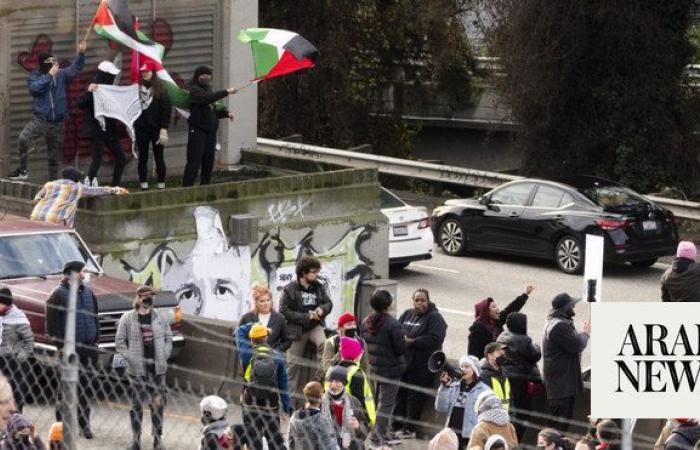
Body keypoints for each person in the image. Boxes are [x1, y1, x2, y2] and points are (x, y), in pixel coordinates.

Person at [8, 41, 87, 181]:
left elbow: (75, 68)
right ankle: (23, 170)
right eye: (48, 63)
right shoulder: (35, 76)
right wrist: (49, 76)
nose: (52, 66)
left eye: (53, 62)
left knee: (54, 157)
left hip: (58, 123)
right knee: (23, 139)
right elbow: (34, 89)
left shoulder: (61, 74)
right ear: (42, 65)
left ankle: (52, 182)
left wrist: (81, 53)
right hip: (41, 120)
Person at [46, 261, 100, 439]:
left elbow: (95, 318)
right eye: (83, 270)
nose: (85, 273)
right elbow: (52, 326)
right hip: (69, 351)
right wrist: (62, 347)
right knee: (66, 390)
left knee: (85, 389)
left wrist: (96, 340)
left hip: (88, 349)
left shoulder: (88, 292)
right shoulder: (58, 294)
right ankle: (61, 427)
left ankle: (85, 426)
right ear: (73, 273)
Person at [115, 286, 173, 450]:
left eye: (152, 297)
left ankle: (157, 439)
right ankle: (136, 440)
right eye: (147, 297)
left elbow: (169, 338)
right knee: (136, 405)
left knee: (157, 404)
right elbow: (119, 342)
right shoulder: (128, 318)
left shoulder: (159, 317)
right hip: (137, 370)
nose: (150, 300)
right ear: (139, 297)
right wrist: (131, 359)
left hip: (157, 369)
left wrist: (165, 354)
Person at [393, 288, 447, 440]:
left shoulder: (435, 318)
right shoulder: (407, 314)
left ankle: (409, 430)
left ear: (428, 301)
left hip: (423, 366)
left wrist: (413, 342)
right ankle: (396, 426)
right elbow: (396, 329)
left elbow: (436, 338)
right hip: (405, 364)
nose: (419, 303)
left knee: (415, 398)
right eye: (417, 300)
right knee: (400, 394)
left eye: (423, 300)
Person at [280, 256, 333, 394]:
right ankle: (289, 402)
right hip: (297, 331)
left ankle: (319, 378)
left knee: (324, 344)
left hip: (314, 326)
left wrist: (322, 309)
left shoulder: (318, 287)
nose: (316, 275)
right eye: (313, 272)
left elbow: (328, 303)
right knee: (292, 367)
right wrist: (306, 316)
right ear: (303, 273)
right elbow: (283, 311)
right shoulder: (289, 289)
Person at [360, 289, 406, 448]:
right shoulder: (393, 324)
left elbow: (364, 341)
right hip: (391, 370)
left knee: (379, 403)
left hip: (374, 368)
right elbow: (400, 348)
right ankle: (377, 438)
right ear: (388, 305)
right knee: (386, 405)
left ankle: (384, 433)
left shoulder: (366, 321)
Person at [542, 293, 591, 431]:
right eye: (572, 305)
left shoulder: (558, 321)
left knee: (559, 423)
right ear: (565, 308)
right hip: (560, 386)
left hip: (562, 384)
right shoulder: (559, 326)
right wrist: (586, 333)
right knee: (558, 425)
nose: (574, 307)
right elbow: (577, 345)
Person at [181, 65, 236, 187]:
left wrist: (226, 113)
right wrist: (226, 92)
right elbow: (205, 100)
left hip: (210, 132)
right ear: (197, 77)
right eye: (203, 75)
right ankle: (186, 189)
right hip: (197, 131)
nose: (206, 78)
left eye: (208, 75)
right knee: (194, 161)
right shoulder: (194, 90)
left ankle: (205, 187)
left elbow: (212, 108)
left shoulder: (208, 89)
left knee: (208, 161)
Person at [241, 323, 291, 450]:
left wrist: (251, 325)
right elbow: (283, 386)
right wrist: (286, 406)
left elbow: (239, 331)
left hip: (250, 402)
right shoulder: (278, 357)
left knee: (253, 439)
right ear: (266, 338)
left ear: (251, 339)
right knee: (274, 439)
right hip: (270, 403)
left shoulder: (246, 354)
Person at [78, 60, 127, 187]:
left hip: (110, 129)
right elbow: (80, 104)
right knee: (97, 158)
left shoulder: (112, 89)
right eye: (111, 75)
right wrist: (89, 92)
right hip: (96, 129)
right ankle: (89, 181)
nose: (113, 78)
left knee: (121, 158)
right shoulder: (93, 87)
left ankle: (116, 186)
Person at [30, 166, 128, 227]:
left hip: (35, 216)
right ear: (76, 179)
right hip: (55, 220)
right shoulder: (77, 188)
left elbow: (36, 199)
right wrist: (116, 190)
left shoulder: (49, 184)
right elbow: (97, 190)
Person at [497, 312, 541, 440]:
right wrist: (537, 346)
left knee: (506, 410)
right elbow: (534, 355)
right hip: (518, 380)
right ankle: (513, 440)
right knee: (522, 414)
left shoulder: (502, 336)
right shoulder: (523, 339)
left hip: (503, 377)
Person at [435, 355, 490, 450]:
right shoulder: (453, 386)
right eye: (462, 366)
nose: (463, 369)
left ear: (475, 370)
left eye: (467, 366)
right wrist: (444, 387)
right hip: (450, 435)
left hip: (470, 437)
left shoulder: (484, 390)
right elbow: (441, 408)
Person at [468, 283, 535, 359]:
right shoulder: (477, 330)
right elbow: (472, 356)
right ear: (486, 312)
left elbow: (511, 309)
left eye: (496, 306)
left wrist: (525, 294)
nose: (497, 308)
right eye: (493, 307)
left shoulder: (496, 321)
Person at [135, 61, 172, 190]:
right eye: (143, 72)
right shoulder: (136, 88)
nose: (144, 73)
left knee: (159, 157)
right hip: (141, 129)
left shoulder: (160, 88)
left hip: (157, 129)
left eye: (147, 71)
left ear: (153, 72)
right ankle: (143, 185)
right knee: (142, 158)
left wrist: (164, 129)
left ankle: (161, 185)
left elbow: (166, 109)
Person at [324, 337, 376, 426]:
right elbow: (359, 398)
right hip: (352, 418)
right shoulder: (356, 372)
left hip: (332, 416)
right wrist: (366, 418)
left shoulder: (331, 370)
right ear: (356, 356)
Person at [0, 286, 33, 413]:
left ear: (6, 304)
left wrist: (20, 358)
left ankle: (15, 418)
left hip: (14, 362)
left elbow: (29, 342)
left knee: (15, 391)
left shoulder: (18, 318)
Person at [321, 367, 370, 450]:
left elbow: (364, 430)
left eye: (337, 381)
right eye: (331, 381)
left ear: (344, 383)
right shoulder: (319, 402)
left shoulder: (354, 402)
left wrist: (358, 427)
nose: (333, 385)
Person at [238, 284, 292, 352]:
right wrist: (247, 350)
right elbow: (237, 336)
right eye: (262, 301)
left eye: (268, 300)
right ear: (256, 302)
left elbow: (287, 341)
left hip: (272, 359)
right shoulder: (246, 317)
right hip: (251, 358)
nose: (266, 303)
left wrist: (276, 351)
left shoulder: (280, 318)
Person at [289, 381, 339, 450]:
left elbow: (291, 443)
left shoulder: (294, 417)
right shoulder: (322, 420)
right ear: (320, 398)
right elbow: (329, 446)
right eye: (322, 392)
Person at [479, 342, 511, 411]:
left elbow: (510, 398)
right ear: (490, 355)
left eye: (503, 353)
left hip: (505, 417)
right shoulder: (484, 376)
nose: (503, 356)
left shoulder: (504, 373)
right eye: (499, 353)